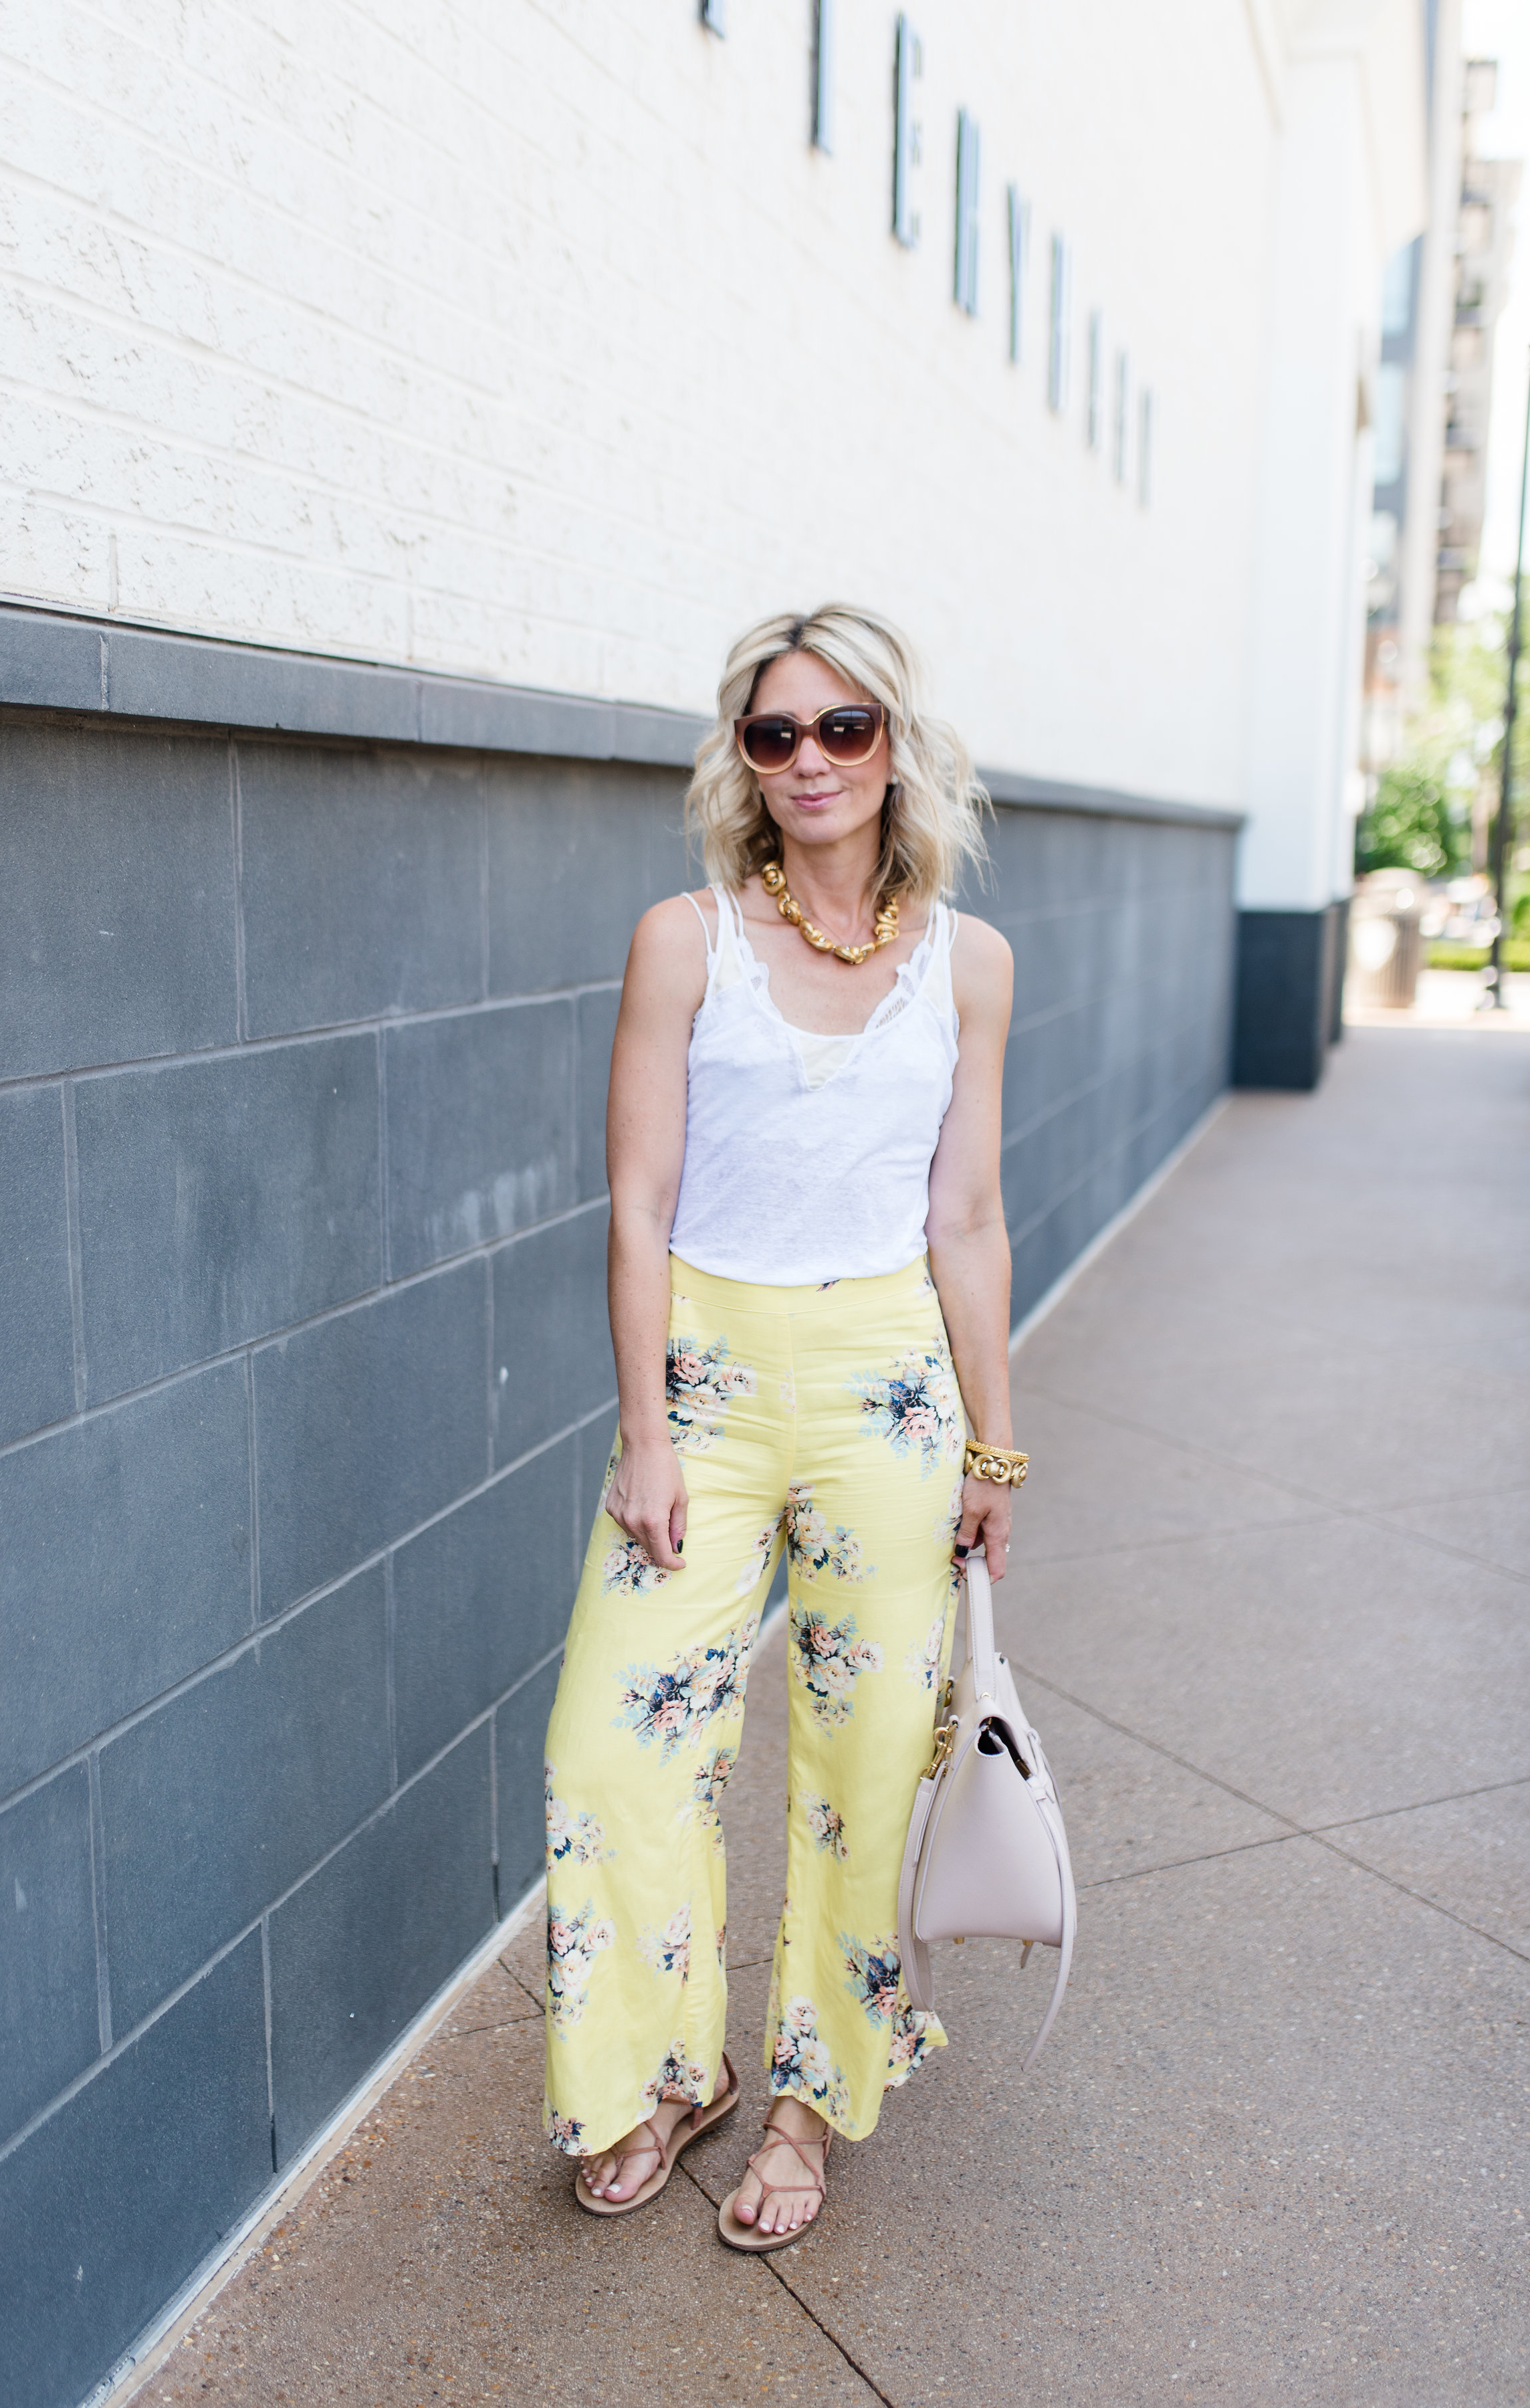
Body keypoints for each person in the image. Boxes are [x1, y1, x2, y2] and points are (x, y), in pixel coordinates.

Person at [540, 602, 1020, 2249]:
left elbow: (966, 1218)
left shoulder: (968, 962)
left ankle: (812, 2097)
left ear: (895, 745)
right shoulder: (684, 938)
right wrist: (641, 1434)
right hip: (707, 1385)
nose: (807, 760)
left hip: (892, 1388)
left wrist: (993, 1449)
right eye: (771, 733)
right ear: (738, 761)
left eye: (841, 728)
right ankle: (666, 2075)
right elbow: (634, 1201)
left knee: (863, 1764)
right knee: (612, 1741)